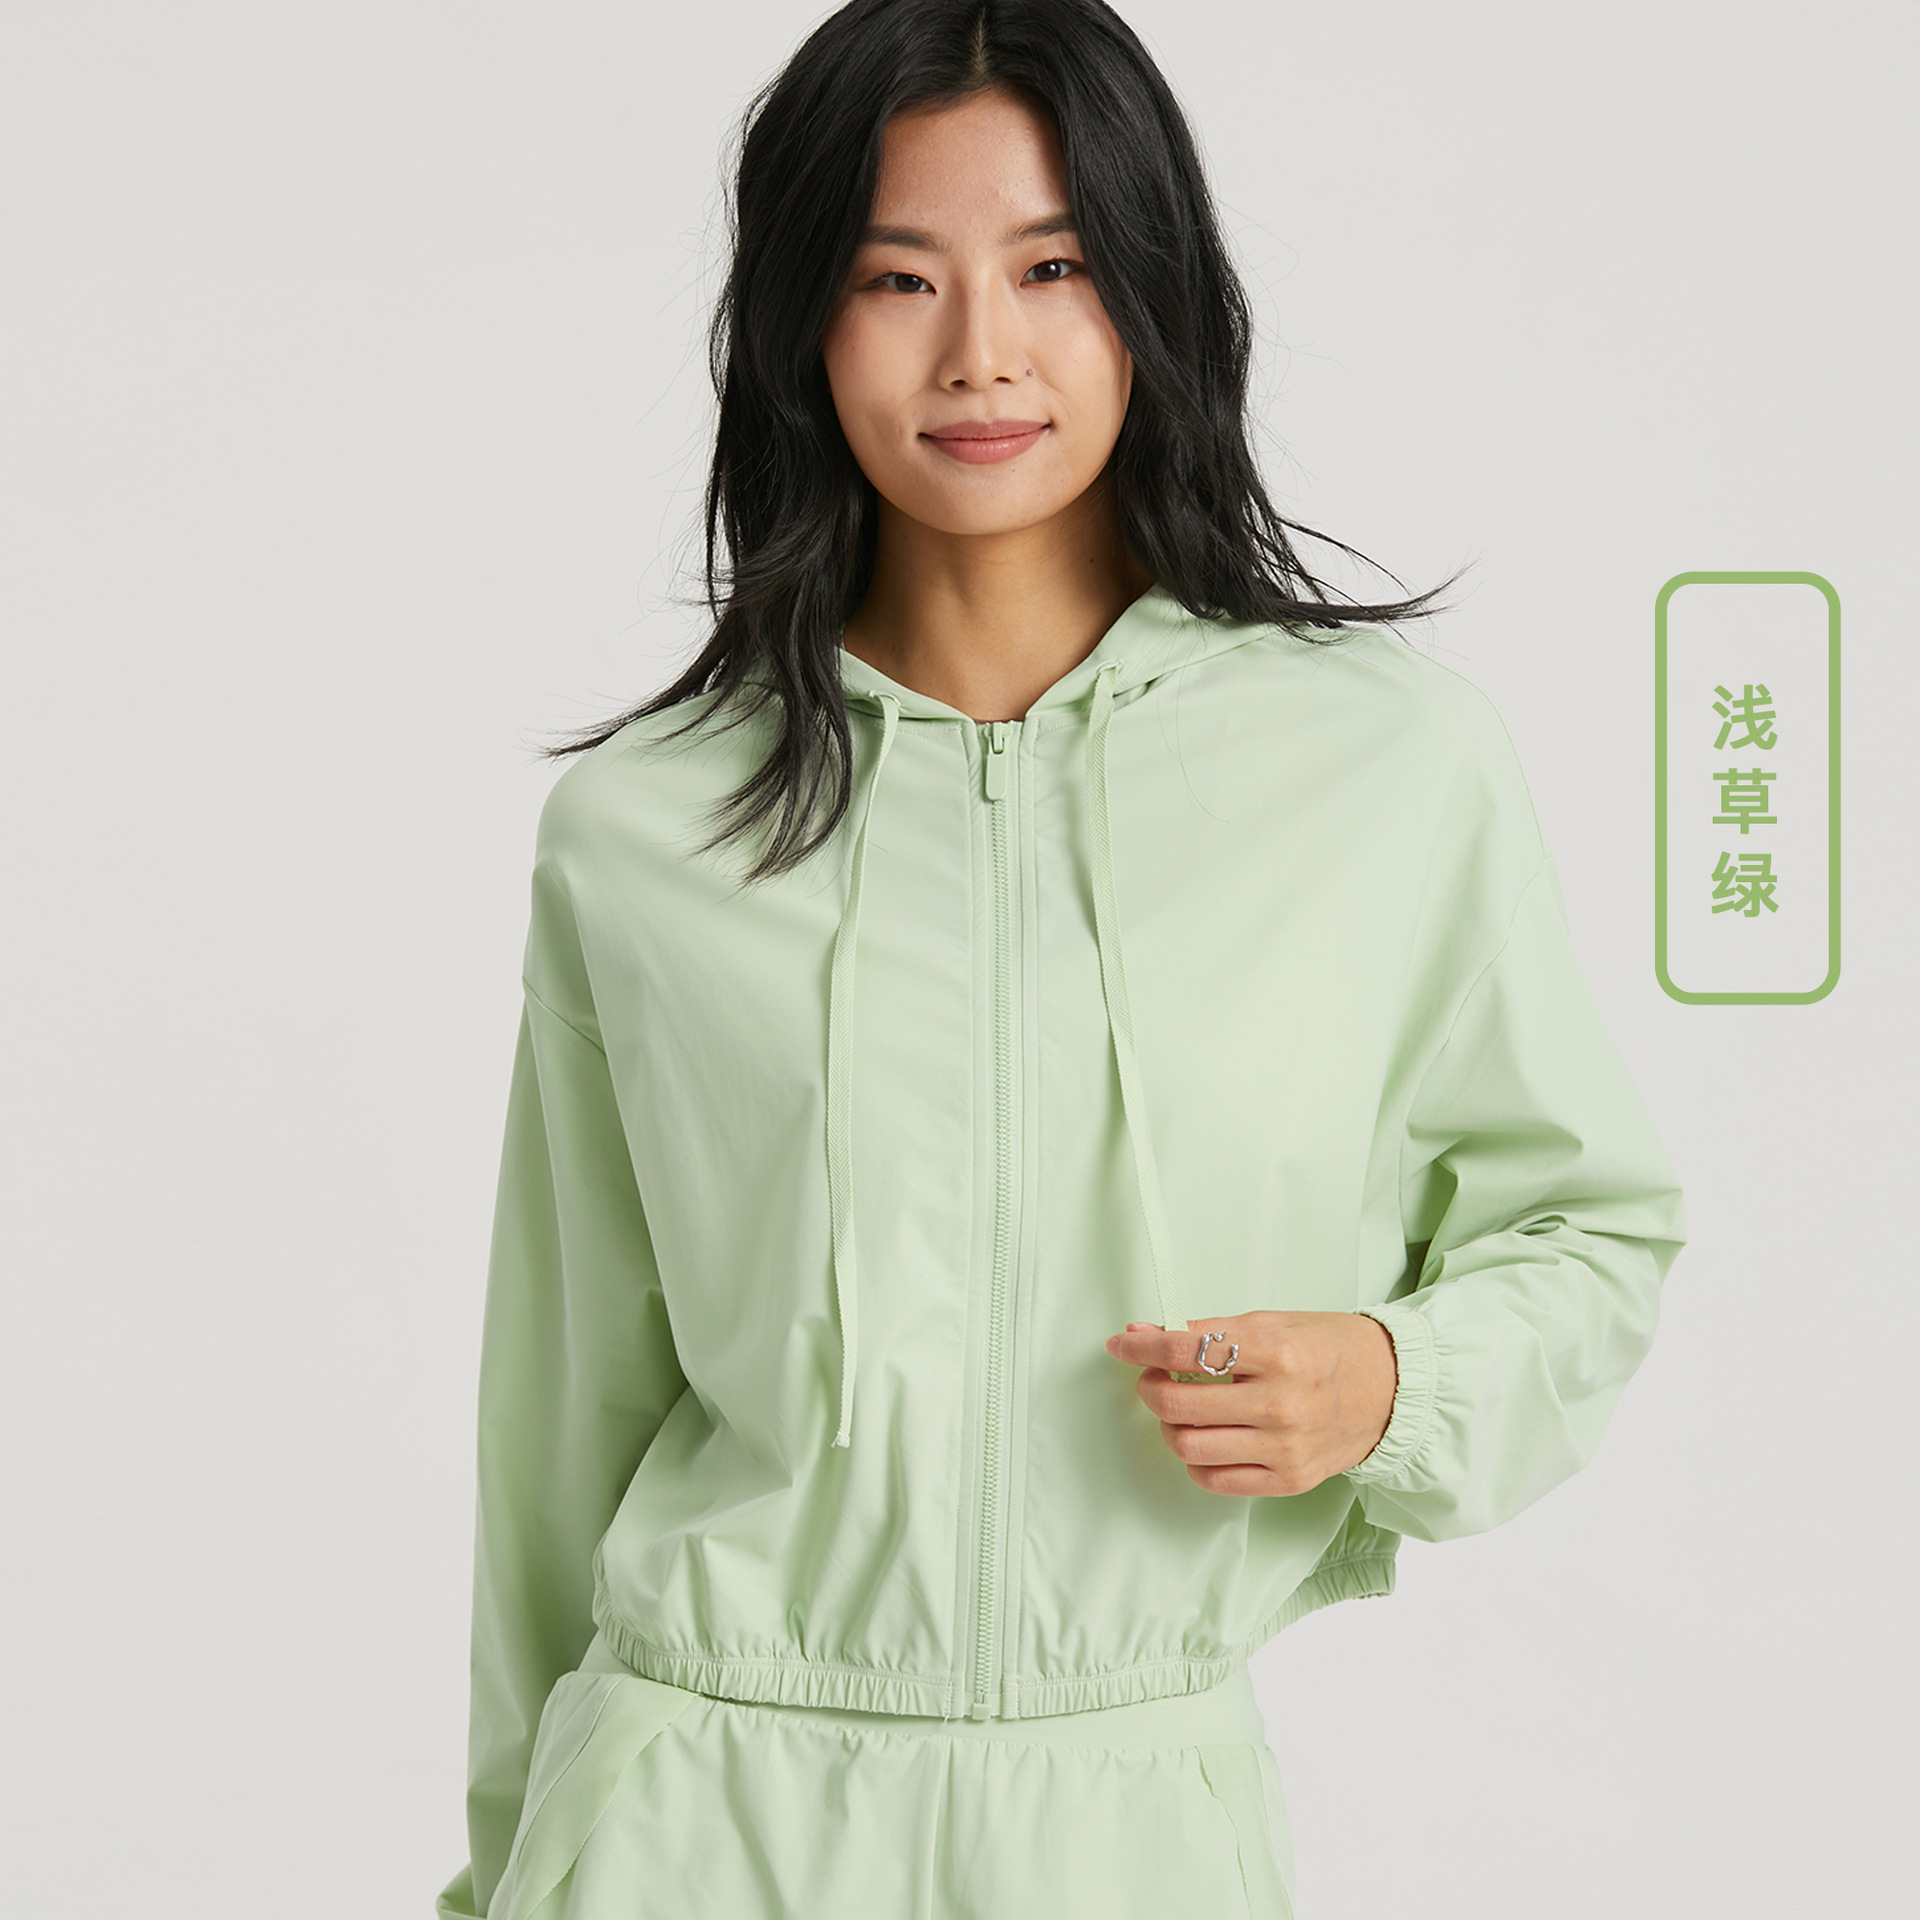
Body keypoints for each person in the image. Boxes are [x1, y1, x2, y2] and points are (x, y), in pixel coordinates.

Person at [433, 3, 1687, 1915]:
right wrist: (496, 1875)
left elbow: (1588, 1231)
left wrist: (1392, 1379)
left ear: (1155, 297)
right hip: (693, 1817)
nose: (979, 354)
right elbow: (559, 1423)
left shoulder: (1387, 767)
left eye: (1054, 267)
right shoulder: (647, 828)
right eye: (895, 278)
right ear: (798, 322)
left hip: (1137, 1824)